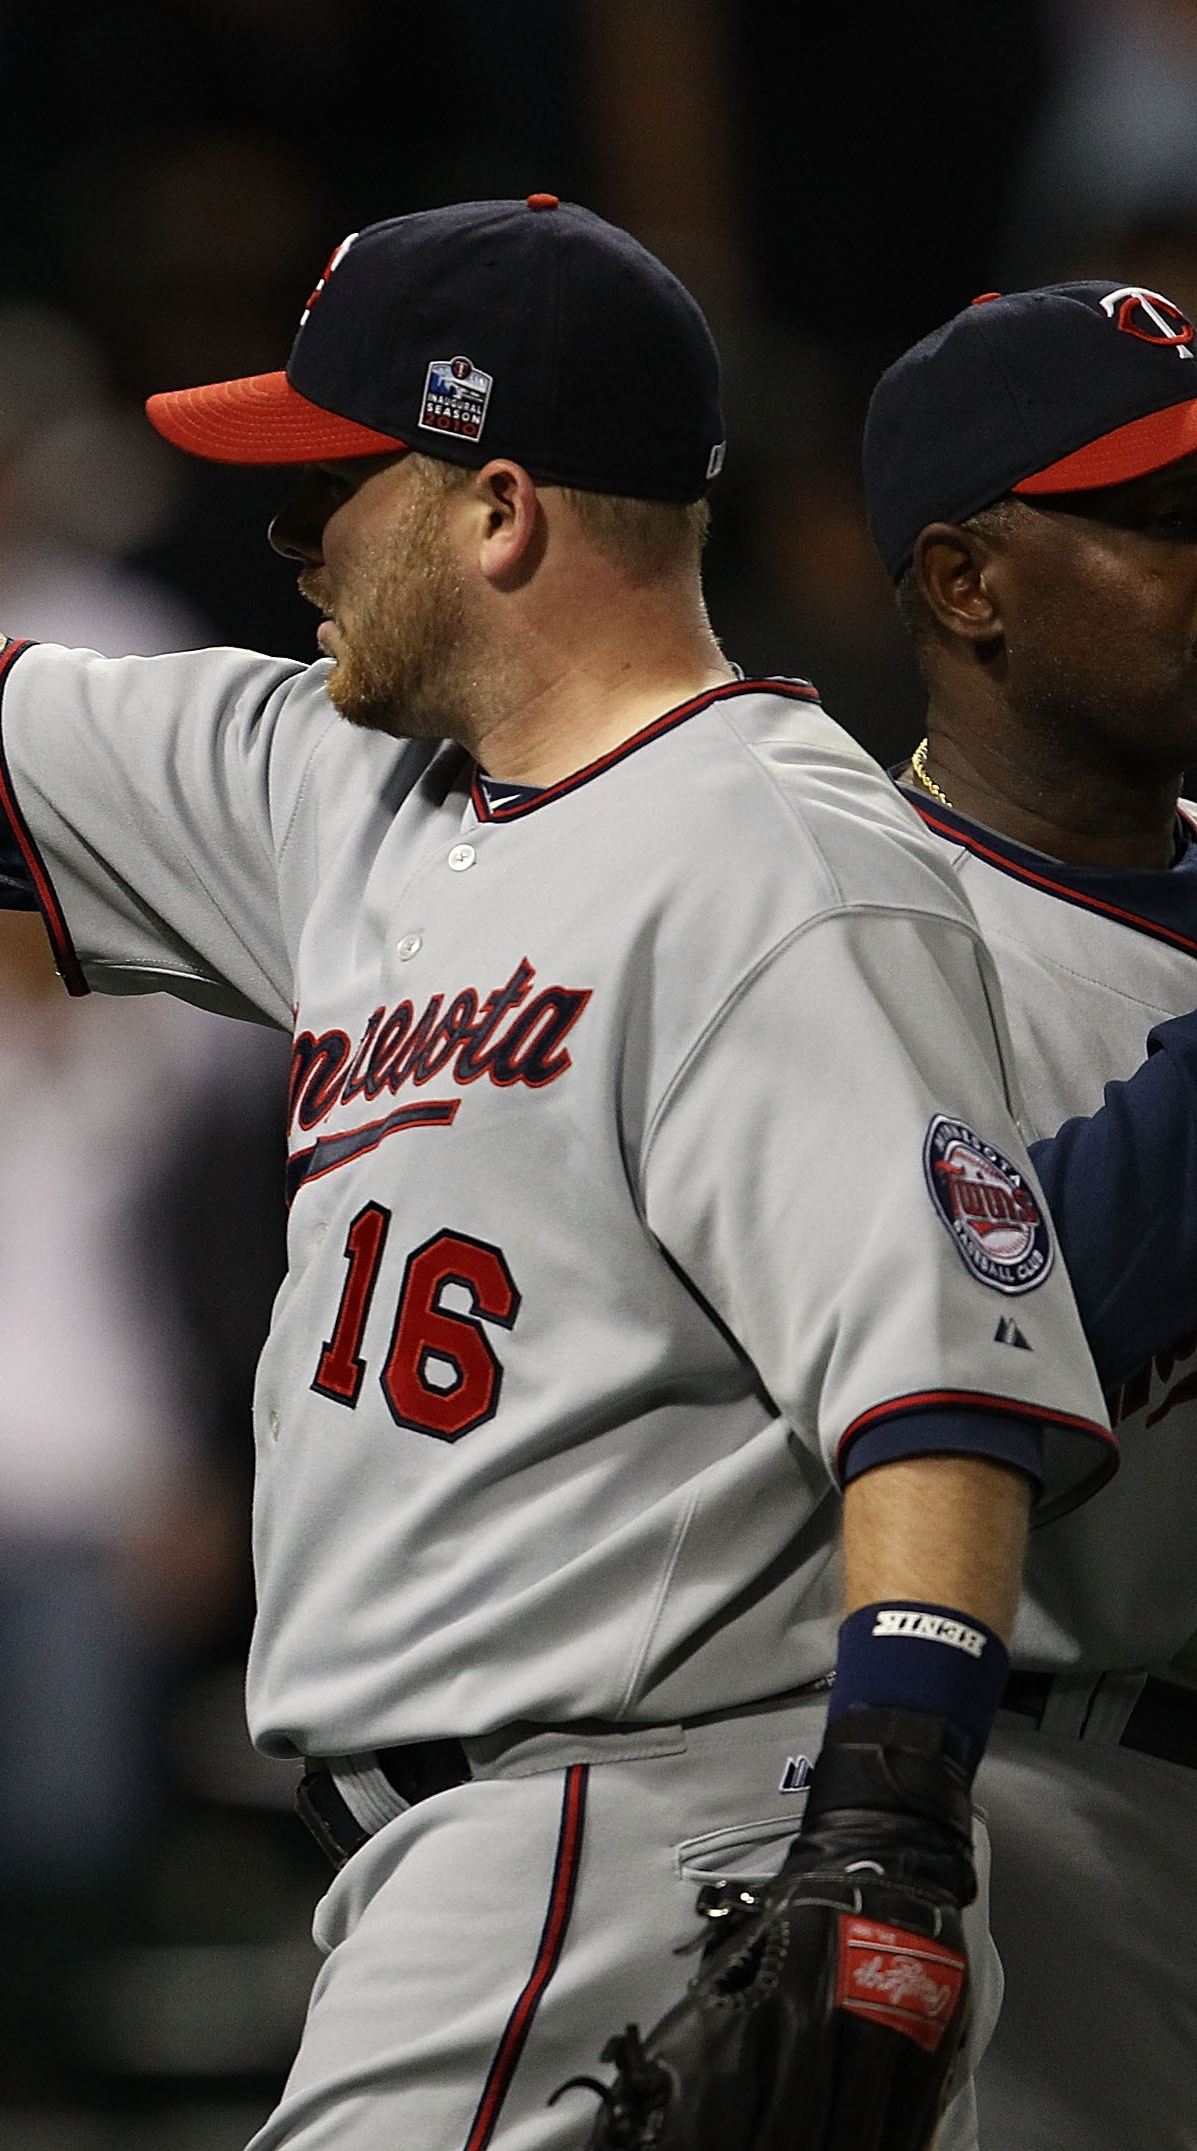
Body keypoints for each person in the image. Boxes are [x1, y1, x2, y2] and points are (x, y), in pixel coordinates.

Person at [0, 121, 1113, 2147]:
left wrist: (890, 1841)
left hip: (627, 1810)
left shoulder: (775, 858)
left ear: (499, 509)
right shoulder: (333, 795)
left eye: (339, 485)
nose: (291, 537)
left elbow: (938, 1390)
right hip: (446, 1841)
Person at [864, 281, 1197, 2150]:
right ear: (967, 586)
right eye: (1159, 524)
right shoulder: (846, 921)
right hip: (1036, 1809)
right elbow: (998, 1335)